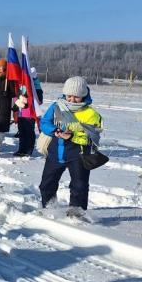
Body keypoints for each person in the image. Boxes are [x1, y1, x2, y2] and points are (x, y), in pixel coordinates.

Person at [39, 76, 102, 218]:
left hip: (78, 154)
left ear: (84, 95)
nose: (72, 99)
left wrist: (72, 136)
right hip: (56, 151)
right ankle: (49, 207)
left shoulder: (91, 114)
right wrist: (55, 131)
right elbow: (44, 122)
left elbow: (93, 136)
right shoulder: (56, 106)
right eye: (69, 96)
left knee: (79, 186)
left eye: (76, 97)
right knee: (46, 184)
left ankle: (76, 214)